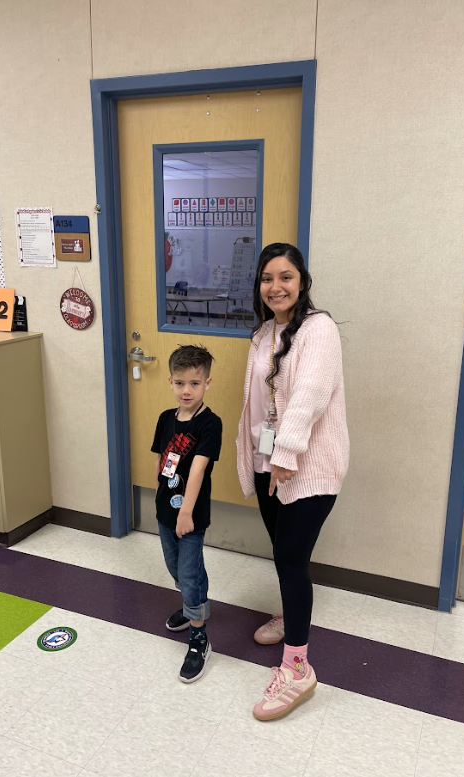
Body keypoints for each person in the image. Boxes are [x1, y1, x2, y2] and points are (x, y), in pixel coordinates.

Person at [237, 243, 349, 720]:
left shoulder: (318, 329)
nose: (275, 287)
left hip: (309, 466)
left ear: (302, 280)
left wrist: (286, 454)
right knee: (285, 553)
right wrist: (259, 457)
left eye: (285, 277)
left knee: (289, 557)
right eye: (267, 278)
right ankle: (292, 612)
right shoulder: (264, 332)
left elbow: (310, 397)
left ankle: (298, 667)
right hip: (271, 462)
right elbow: (257, 404)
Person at [152, 344, 222, 683]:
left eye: (194, 383)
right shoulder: (166, 418)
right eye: (180, 383)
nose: (186, 390)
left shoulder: (210, 424)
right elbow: (160, 459)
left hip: (190, 516)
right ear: (170, 381)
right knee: (177, 567)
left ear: (207, 383)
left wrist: (186, 513)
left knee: (190, 573)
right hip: (165, 510)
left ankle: (199, 636)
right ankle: (193, 603)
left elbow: (196, 471)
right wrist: (159, 496)